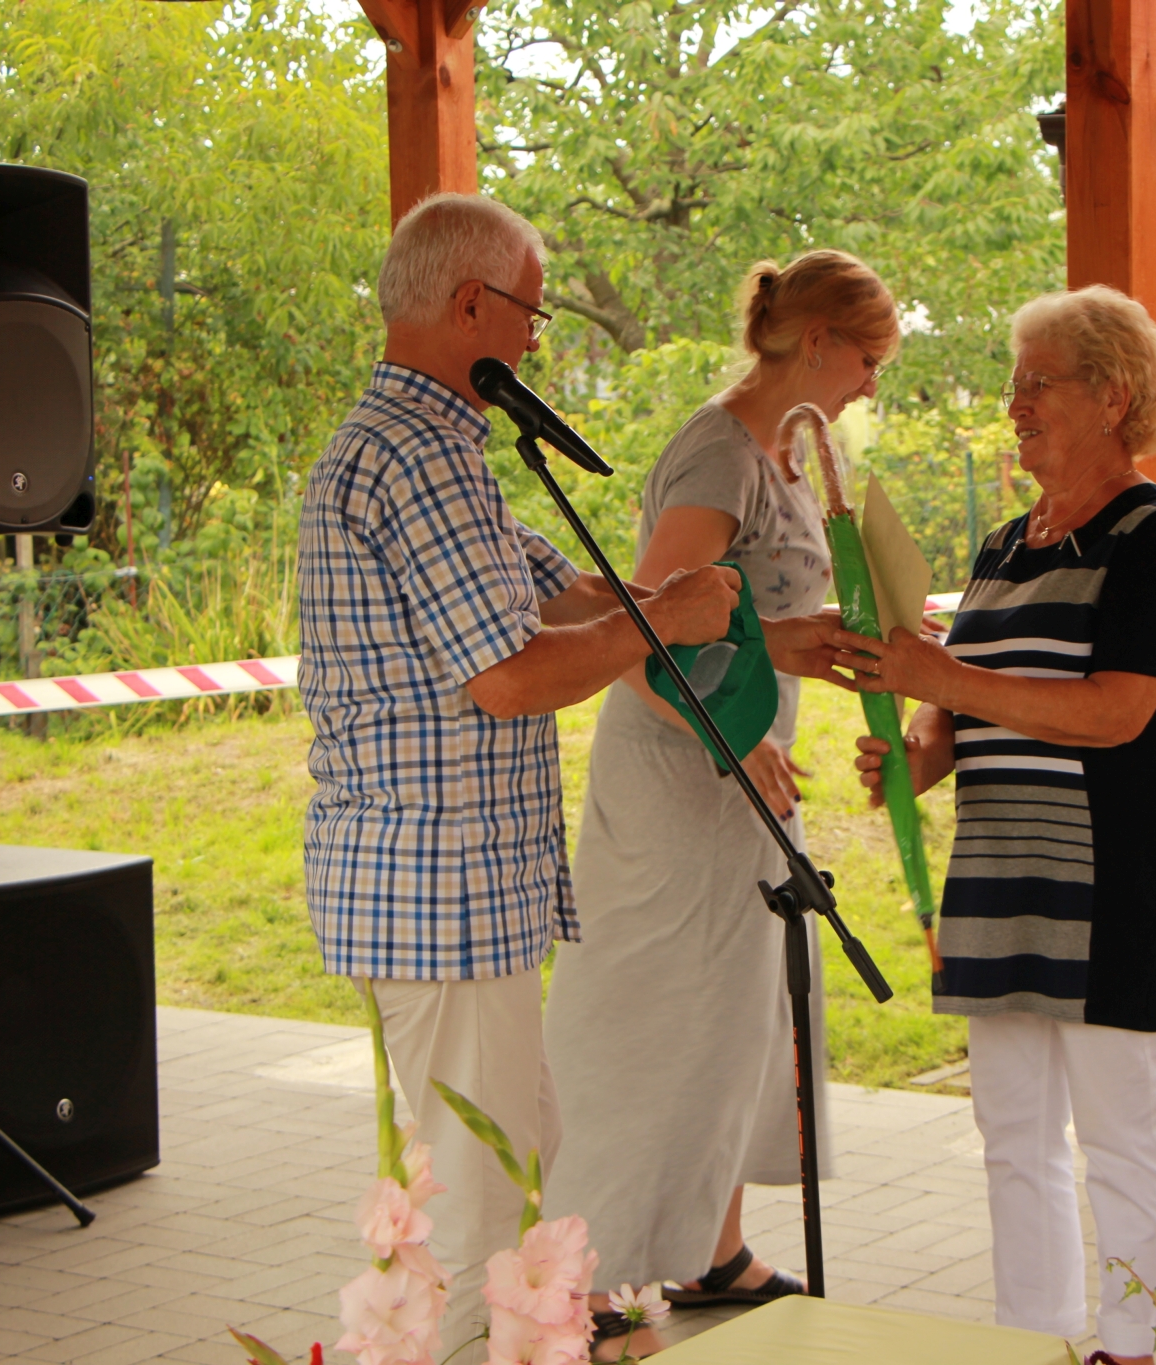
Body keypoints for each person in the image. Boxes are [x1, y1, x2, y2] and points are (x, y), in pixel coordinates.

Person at [299, 193, 834, 1350]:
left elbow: (571, 591)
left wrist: (716, 620)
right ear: (470, 305)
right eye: (530, 313)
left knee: (520, 1165)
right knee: (478, 1201)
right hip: (435, 894)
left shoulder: (440, 448)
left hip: (456, 896)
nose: (536, 340)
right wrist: (668, 617)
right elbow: (506, 677)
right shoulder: (416, 457)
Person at [840, 285, 1156, 1365]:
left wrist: (942, 678)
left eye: (1036, 383)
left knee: (1120, 1137)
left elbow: (1115, 713)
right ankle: (1032, 1345)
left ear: (1113, 395)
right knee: (1011, 1138)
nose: (1014, 405)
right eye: (1015, 385)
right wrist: (911, 757)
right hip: (997, 883)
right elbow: (953, 718)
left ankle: (1134, 1349)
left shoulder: (1155, 535)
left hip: (1106, 888)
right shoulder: (1003, 546)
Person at [542, 250, 899, 1358]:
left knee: (739, 1024)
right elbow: (650, 633)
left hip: (745, 776)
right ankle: (586, 1282)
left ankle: (712, 1251)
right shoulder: (716, 454)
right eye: (870, 358)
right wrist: (740, 736)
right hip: (679, 783)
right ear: (818, 341)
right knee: (655, 1027)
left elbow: (742, 619)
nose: (872, 384)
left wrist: (812, 639)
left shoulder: (785, 453)